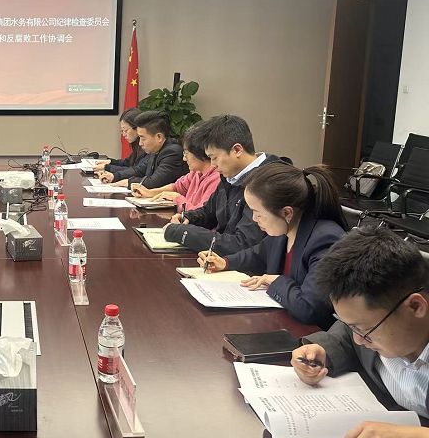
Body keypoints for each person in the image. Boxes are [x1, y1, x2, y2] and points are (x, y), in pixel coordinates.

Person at [290, 228, 429, 438]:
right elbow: (347, 334)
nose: (359, 339)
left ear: (415, 307)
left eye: (364, 330)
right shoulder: (379, 323)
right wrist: (322, 350)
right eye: (351, 325)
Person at [197, 163, 347, 329]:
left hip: (310, 335)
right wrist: (225, 262)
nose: (254, 219)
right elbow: (257, 254)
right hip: (282, 322)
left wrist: (276, 281)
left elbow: (309, 308)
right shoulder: (285, 228)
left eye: (258, 213)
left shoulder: (326, 240)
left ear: (287, 212)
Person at [162, 114, 280, 255]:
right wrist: (189, 217)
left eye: (214, 158)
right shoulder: (230, 176)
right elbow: (209, 212)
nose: (212, 165)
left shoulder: (267, 183)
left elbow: (242, 244)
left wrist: (184, 233)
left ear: (237, 150)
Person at [130, 122, 219, 213]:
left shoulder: (216, 178)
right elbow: (177, 186)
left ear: (199, 153)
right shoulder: (196, 173)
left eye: (186, 153)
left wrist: (176, 198)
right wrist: (150, 193)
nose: (184, 158)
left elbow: (200, 213)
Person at [96, 111, 188, 189]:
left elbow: (153, 183)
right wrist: (115, 176)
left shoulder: (172, 153)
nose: (140, 143)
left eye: (143, 138)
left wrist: (128, 182)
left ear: (159, 137)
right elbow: (139, 170)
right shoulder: (157, 149)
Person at [94, 107, 146, 174]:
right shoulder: (136, 145)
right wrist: (109, 162)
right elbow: (127, 163)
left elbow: (135, 170)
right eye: (122, 131)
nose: (124, 135)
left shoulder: (147, 147)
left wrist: (107, 167)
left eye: (126, 131)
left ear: (137, 128)